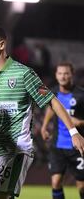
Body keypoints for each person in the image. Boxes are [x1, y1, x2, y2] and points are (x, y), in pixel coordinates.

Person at [0, 24, 84, 199]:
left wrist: (74, 132)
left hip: (16, 150)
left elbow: (52, 101)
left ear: (1, 45)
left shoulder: (23, 73)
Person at [40, 62, 84, 199]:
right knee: (56, 181)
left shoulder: (81, 95)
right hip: (57, 146)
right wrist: (44, 126)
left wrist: (80, 122)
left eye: (66, 73)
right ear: (56, 75)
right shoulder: (53, 93)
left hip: (77, 147)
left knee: (82, 186)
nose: (63, 76)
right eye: (60, 73)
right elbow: (52, 108)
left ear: (72, 75)